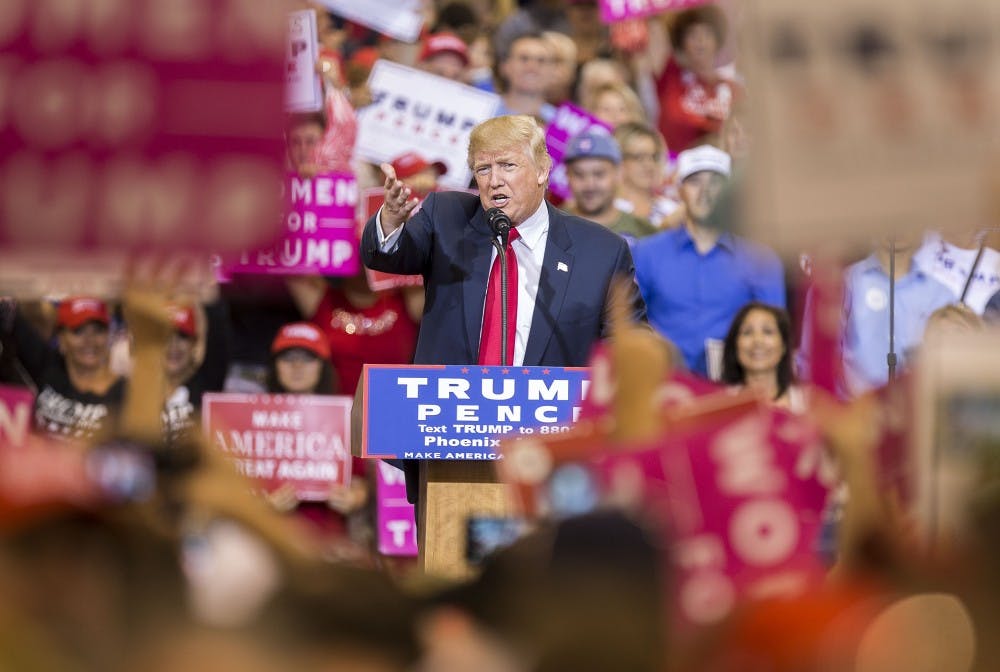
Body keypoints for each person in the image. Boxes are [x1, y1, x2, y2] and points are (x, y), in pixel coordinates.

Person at [361, 114, 647, 503]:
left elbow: (629, 346)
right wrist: (391, 219)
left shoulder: (600, 250)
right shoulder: (446, 217)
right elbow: (388, 255)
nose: (494, 180)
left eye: (508, 165)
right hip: (449, 451)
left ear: (543, 169)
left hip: (554, 459)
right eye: (483, 168)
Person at [634, 145, 785, 377]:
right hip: (664, 386)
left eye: (715, 183)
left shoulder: (761, 259)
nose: (705, 192)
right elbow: (628, 324)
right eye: (695, 182)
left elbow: (775, 333)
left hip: (735, 389)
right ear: (680, 190)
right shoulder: (646, 253)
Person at [799, 232, 955, 397]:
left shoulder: (942, 294)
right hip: (850, 411)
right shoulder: (839, 285)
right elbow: (812, 359)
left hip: (920, 408)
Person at [9, 297, 126, 441]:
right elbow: (9, 315)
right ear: (61, 337)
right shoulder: (48, 366)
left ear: (109, 334)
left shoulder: (126, 393)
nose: (90, 340)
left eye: (98, 330)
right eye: (78, 331)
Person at [637, 5, 741, 154]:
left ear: (718, 40)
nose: (700, 41)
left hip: (722, 167)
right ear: (682, 43)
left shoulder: (734, 88)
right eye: (692, 35)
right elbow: (655, 33)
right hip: (676, 168)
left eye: (707, 34)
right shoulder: (670, 77)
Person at [562, 130, 657, 244]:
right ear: (567, 175)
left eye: (599, 174)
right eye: (579, 174)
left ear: (619, 173)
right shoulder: (548, 226)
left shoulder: (644, 233)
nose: (589, 185)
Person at [162, 300, 231, 444]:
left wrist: (210, 300)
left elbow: (219, 338)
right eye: (165, 336)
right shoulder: (140, 390)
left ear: (194, 343)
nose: (173, 346)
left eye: (182, 336)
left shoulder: (207, 385)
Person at [721, 302, 804, 412]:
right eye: (747, 332)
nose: (757, 341)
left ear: (784, 346)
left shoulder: (806, 404)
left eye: (768, 332)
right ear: (735, 345)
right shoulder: (720, 405)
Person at [612, 121, 681, 228]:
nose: (649, 165)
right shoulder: (607, 210)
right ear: (619, 160)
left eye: (654, 157)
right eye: (639, 157)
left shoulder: (671, 211)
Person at [494, 33, 556, 122]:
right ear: (505, 66)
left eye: (541, 60)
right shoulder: (482, 111)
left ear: (552, 71)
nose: (532, 67)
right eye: (524, 58)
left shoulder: (565, 127)